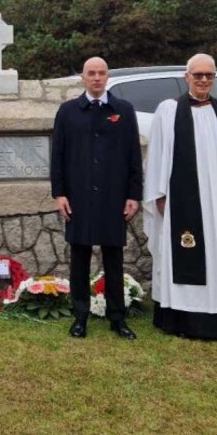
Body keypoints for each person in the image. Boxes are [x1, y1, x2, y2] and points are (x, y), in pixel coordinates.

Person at [143, 53, 217, 341]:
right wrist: (159, 193)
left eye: (209, 75)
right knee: (185, 252)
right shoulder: (168, 111)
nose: (203, 79)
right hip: (182, 201)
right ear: (187, 77)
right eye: (198, 75)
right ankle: (182, 318)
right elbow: (157, 156)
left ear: (214, 79)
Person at [51, 57, 143, 340]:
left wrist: (133, 194)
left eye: (101, 73)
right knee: (79, 259)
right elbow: (58, 157)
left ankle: (118, 319)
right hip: (78, 196)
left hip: (113, 197)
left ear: (108, 77)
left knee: (113, 259)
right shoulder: (67, 112)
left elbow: (133, 157)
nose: (96, 78)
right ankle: (80, 317)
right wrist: (60, 193)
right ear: (83, 77)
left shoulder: (124, 111)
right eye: (91, 73)